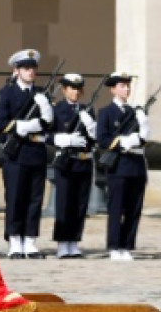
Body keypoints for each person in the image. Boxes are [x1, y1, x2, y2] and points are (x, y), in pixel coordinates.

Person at [0, 49, 51, 257]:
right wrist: (22, 125)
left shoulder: (41, 94)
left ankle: (30, 239)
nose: (30, 72)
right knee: (16, 197)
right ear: (16, 70)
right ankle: (15, 240)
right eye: (26, 68)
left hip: (36, 151)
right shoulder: (7, 93)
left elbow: (48, 125)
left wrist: (45, 114)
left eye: (33, 68)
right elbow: (0, 124)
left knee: (35, 198)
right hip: (16, 151)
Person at [96, 72, 150, 261]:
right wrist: (123, 142)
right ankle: (114, 246)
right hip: (118, 165)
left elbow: (144, 139)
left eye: (128, 86)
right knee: (116, 208)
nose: (126, 89)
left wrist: (142, 127)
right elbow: (102, 140)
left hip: (136, 165)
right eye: (122, 86)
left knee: (133, 209)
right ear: (113, 89)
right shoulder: (106, 112)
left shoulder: (136, 112)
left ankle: (127, 246)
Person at [51, 73, 96, 258]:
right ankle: (62, 242)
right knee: (64, 202)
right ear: (64, 90)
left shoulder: (87, 110)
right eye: (71, 88)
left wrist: (91, 126)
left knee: (80, 204)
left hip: (83, 161)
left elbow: (94, 139)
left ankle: (74, 241)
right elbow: (46, 134)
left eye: (78, 89)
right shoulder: (57, 110)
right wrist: (61, 139)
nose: (75, 92)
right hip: (66, 162)